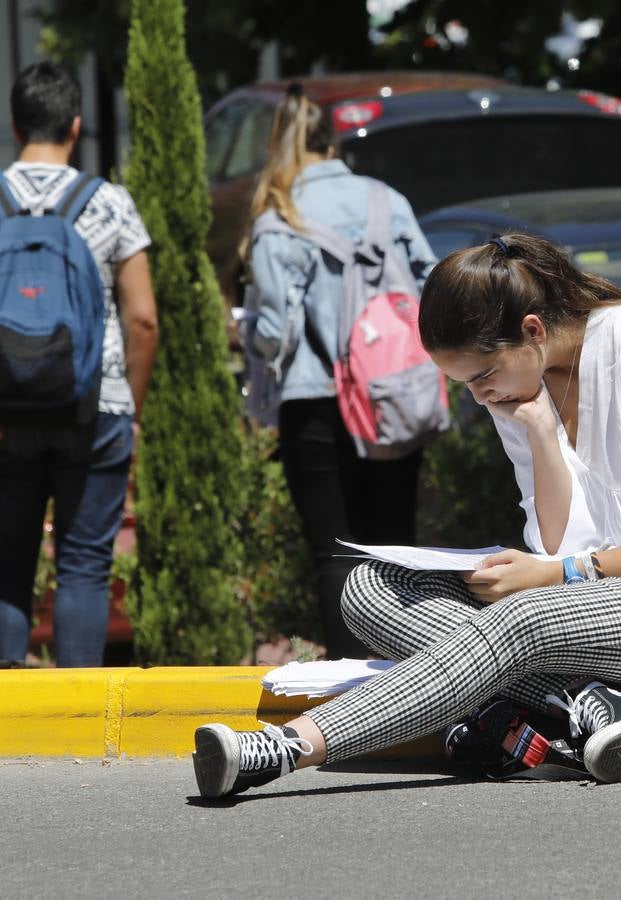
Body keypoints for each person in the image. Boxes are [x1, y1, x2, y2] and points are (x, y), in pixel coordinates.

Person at [195, 233, 621, 797]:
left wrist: (557, 577)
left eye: (483, 375)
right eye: (463, 385)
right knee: (369, 589)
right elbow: (557, 542)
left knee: (524, 616)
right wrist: (539, 434)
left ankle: (280, 750)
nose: (481, 396)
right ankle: (590, 706)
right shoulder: (519, 392)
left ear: (532, 330)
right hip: (584, 603)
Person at [0, 62, 158, 667]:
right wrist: (130, 404)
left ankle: (10, 713)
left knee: (10, 563)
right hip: (94, 409)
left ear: (16, 124)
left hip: (1, 409)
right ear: (74, 126)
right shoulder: (108, 203)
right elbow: (144, 319)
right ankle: (78, 715)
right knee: (83, 567)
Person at [241, 86, 438, 659]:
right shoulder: (386, 200)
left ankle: (352, 693)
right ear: (332, 140)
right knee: (396, 547)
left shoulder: (282, 214)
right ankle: (414, 682)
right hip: (391, 392)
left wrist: (245, 332)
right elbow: (432, 286)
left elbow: (276, 333)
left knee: (337, 556)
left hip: (316, 398)